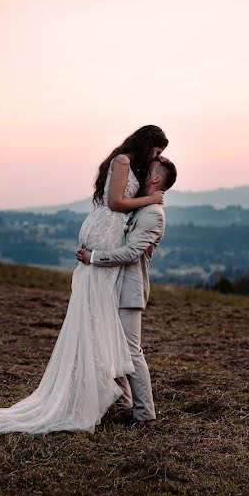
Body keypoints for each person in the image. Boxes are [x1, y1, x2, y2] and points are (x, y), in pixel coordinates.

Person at [0, 125, 168, 434]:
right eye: (156, 151)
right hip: (107, 252)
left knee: (121, 345)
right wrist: (149, 200)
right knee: (119, 345)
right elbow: (114, 204)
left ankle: (134, 408)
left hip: (117, 272)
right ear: (148, 143)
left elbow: (130, 246)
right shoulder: (125, 165)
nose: (156, 157)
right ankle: (130, 407)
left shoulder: (148, 207)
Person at [76, 156, 177, 423]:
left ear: (156, 178)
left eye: (149, 170)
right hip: (113, 287)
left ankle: (145, 413)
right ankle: (124, 404)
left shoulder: (153, 215)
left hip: (129, 293)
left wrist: (94, 257)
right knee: (113, 348)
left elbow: (132, 253)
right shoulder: (139, 208)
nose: (143, 171)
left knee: (131, 351)